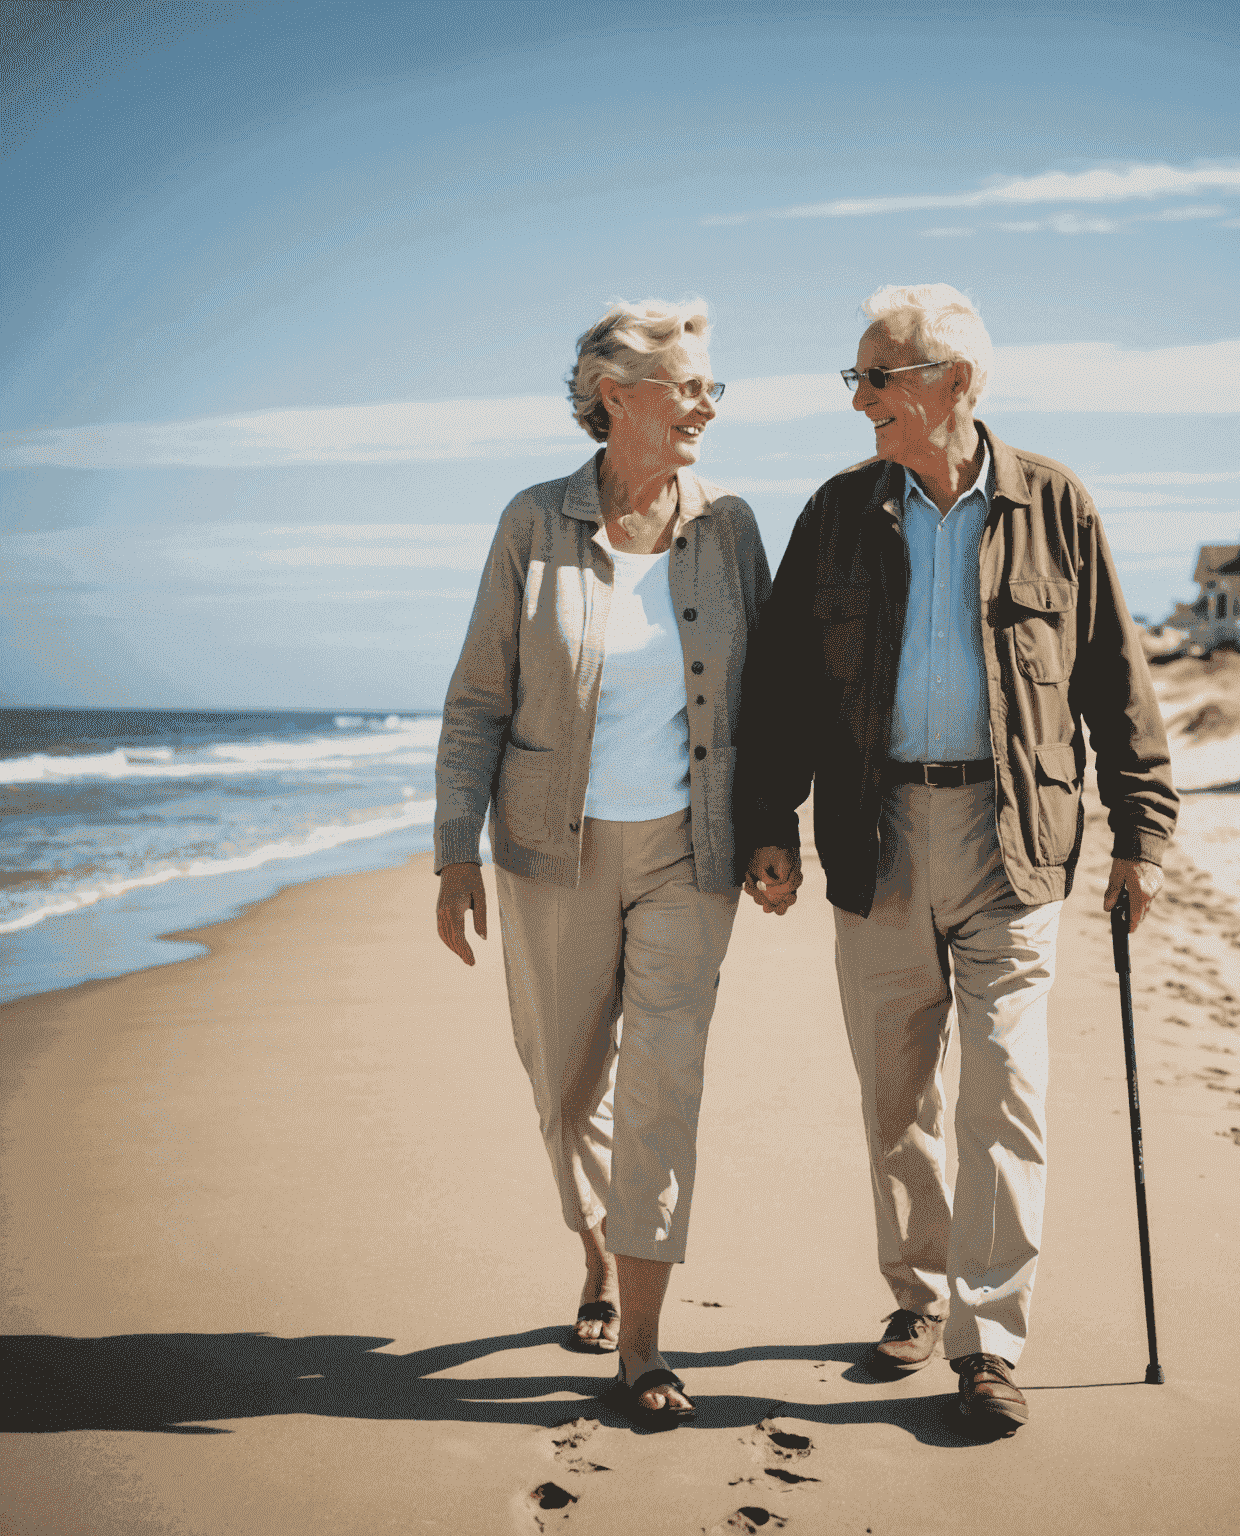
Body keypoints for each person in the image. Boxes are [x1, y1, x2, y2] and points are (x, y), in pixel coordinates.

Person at [734, 284, 1177, 1438]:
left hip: (1012, 841)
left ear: (955, 385)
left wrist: (1144, 837)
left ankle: (990, 1340)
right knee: (898, 1099)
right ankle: (917, 1294)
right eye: (860, 377)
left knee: (1006, 1094)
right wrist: (767, 827)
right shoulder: (835, 512)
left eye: (880, 377)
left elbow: (1116, 687)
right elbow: (777, 686)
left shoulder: (1055, 506)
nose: (861, 397)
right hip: (873, 835)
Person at [435, 299, 770, 1428]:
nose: (707, 407)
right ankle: (593, 1249)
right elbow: (479, 695)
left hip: (692, 849)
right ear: (615, 398)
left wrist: (776, 832)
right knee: (566, 1085)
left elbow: (767, 703)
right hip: (547, 851)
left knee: (661, 1088)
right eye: (688, 387)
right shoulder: (533, 523)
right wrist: (453, 854)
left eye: (712, 388)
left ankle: (642, 1340)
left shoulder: (731, 529)